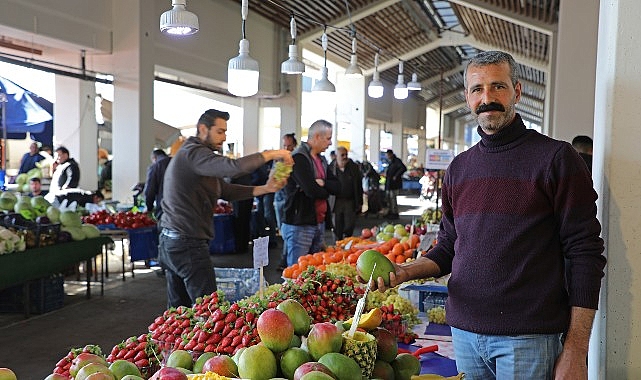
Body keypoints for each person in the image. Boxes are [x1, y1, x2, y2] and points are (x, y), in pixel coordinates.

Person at [362, 51, 607, 379]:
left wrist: (577, 348)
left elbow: (585, 255)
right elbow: (449, 247)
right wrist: (405, 271)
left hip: (528, 338)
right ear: (466, 98)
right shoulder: (460, 168)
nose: (487, 98)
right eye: (477, 89)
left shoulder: (556, 159)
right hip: (464, 334)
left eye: (498, 87)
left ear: (517, 91)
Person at [158, 108, 293, 308]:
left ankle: (174, 339)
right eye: (219, 131)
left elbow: (225, 190)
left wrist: (265, 188)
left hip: (173, 241)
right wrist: (273, 153)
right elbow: (234, 167)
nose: (224, 137)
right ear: (203, 129)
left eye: (225, 131)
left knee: (180, 311)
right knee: (209, 309)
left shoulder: (199, 158)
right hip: (187, 243)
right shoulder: (193, 153)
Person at [280, 120, 339, 267]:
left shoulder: (322, 160)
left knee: (314, 272)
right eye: (328, 138)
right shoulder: (298, 158)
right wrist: (325, 190)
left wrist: (323, 183)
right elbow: (311, 190)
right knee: (296, 273)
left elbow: (338, 187)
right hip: (300, 224)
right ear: (317, 136)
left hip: (318, 223)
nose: (330, 143)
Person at [328, 146, 363, 241]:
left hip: (350, 201)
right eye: (342, 155)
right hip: (336, 202)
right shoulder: (330, 168)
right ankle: (337, 245)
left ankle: (347, 244)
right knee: (336, 226)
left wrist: (360, 202)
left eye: (346, 154)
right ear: (336, 156)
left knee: (349, 225)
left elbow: (359, 186)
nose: (345, 157)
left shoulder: (354, 167)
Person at [275, 133, 297, 270]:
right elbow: (275, 180)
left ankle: (285, 259)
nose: (287, 148)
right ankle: (285, 258)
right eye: (284, 145)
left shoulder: (298, 160)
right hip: (279, 199)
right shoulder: (281, 160)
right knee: (284, 231)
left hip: (291, 201)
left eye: (289, 145)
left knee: (289, 231)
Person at [143, 149, 171, 223]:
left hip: (163, 209)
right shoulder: (175, 162)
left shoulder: (155, 166)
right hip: (180, 209)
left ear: (154, 158)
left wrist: (149, 207)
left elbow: (149, 191)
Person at [383, 149, 406, 219]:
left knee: (393, 198)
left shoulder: (397, 161)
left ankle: (395, 213)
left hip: (394, 184)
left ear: (391, 154)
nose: (387, 156)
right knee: (389, 199)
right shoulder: (390, 162)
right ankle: (390, 212)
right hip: (389, 183)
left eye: (388, 155)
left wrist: (396, 176)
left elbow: (403, 168)